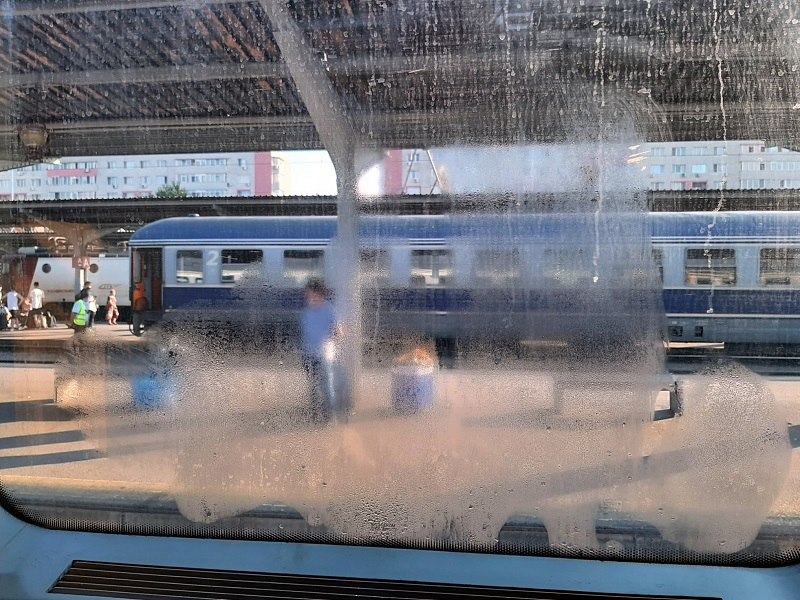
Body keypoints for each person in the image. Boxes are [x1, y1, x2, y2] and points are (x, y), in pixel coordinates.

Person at [299, 278, 343, 422]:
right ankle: (314, 414)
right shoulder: (307, 310)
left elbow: (339, 332)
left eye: (309, 292)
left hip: (324, 355)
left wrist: (331, 337)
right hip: (308, 354)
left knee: (326, 385)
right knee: (313, 385)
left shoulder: (330, 310)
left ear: (318, 293)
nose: (307, 294)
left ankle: (328, 415)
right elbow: (305, 331)